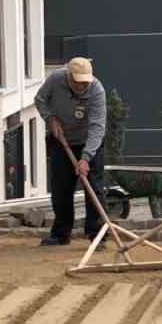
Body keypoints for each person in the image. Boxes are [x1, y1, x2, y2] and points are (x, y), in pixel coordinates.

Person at [33, 56, 108, 246]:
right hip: (62, 139)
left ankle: (97, 235)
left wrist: (85, 158)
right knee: (61, 190)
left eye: (85, 82)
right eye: (78, 82)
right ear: (69, 77)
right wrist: (50, 119)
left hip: (89, 142)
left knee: (94, 189)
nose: (83, 86)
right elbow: (40, 99)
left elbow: (97, 127)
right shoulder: (55, 80)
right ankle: (60, 234)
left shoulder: (97, 90)